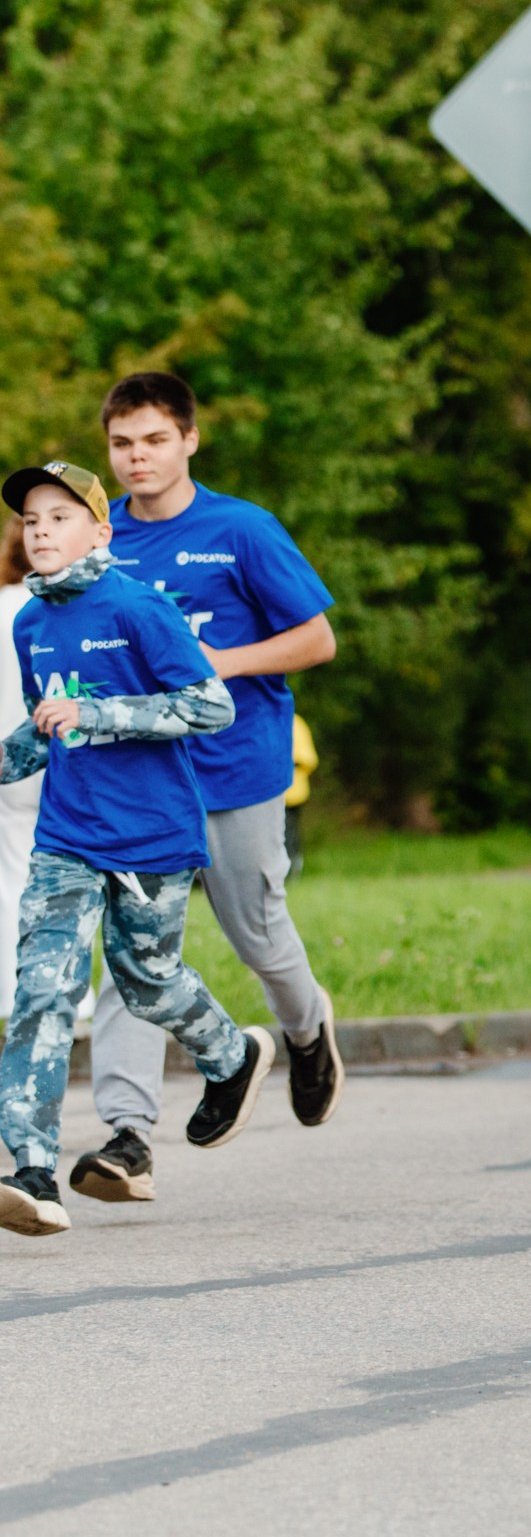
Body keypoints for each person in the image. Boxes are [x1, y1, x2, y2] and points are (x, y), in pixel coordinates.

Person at [69, 373, 342, 1210]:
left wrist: (216, 665)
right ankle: (126, 1134)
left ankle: (305, 1031)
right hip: (141, 779)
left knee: (257, 932)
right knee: (131, 953)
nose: (137, 457)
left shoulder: (241, 530)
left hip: (236, 770)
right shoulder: (102, 544)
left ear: (190, 439)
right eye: (122, 444)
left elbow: (317, 639)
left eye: (153, 439)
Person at [0, 462, 277, 1235]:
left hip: (154, 833)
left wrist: (102, 714)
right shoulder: (30, 623)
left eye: (59, 516)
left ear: (100, 531)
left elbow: (210, 704)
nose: (42, 530)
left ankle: (232, 1056)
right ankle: (30, 1171)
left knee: (148, 979)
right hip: (67, 835)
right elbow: (47, 726)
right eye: (30, 520)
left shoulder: (139, 606)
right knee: (42, 993)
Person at [0, 519, 39, 1028]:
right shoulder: (64, 605)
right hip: (64, 752)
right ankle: (77, 999)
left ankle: (16, 995)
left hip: (9, 759)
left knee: (15, 873)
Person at [284, 711, 315, 875]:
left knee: (290, 830)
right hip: (275, 793)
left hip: (293, 793)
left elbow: (307, 758)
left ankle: (292, 866)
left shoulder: (295, 722)